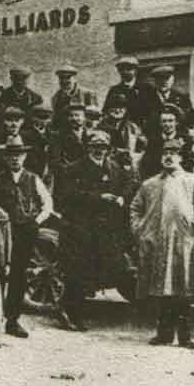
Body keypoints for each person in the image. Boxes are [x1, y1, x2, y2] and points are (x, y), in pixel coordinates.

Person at [130, 140, 194, 349]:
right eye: (166, 152)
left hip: (183, 241)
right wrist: (140, 229)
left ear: (181, 157)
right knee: (162, 289)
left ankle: (186, 337)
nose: (169, 156)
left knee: (183, 288)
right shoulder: (149, 184)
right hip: (157, 242)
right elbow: (135, 208)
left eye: (174, 152)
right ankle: (164, 334)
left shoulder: (193, 180)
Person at [56, 130, 136, 331]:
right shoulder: (74, 169)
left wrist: (121, 198)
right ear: (88, 148)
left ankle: (79, 310)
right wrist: (98, 197)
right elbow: (67, 196)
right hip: (81, 228)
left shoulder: (115, 168)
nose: (99, 151)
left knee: (102, 270)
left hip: (107, 229)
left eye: (103, 148)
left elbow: (128, 185)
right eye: (95, 147)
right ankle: (69, 312)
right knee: (78, 272)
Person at [0, 136, 54, 339]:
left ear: (25, 156)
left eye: (18, 155)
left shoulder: (33, 178)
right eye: (11, 155)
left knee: (19, 275)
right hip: (2, 231)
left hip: (25, 231)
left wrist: (36, 222)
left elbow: (47, 204)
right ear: (5, 157)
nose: (15, 159)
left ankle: (12, 320)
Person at [139, 103, 194, 180]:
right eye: (164, 121)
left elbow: (189, 164)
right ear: (160, 123)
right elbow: (147, 164)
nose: (167, 124)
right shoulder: (153, 141)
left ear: (176, 122)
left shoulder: (186, 141)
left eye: (170, 121)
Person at [137, 65, 194, 141]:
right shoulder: (145, 99)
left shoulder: (182, 98)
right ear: (154, 81)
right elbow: (139, 121)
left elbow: (191, 120)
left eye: (166, 79)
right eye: (159, 79)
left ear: (172, 80)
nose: (163, 82)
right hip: (152, 140)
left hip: (177, 140)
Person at [99, 93, 146, 169]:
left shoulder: (132, 127)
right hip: (107, 167)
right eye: (114, 107)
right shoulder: (101, 127)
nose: (117, 110)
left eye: (121, 107)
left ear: (126, 110)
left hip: (128, 166)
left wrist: (136, 157)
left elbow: (143, 145)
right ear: (108, 109)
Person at [105, 56, 148, 128]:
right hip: (120, 129)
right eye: (121, 69)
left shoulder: (146, 89)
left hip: (142, 129)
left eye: (129, 69)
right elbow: (107, 110)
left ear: (136, 70)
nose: (125, 72)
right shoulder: (114, 90)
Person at [48, 102, 88, 174]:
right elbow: (55, 160)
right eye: (71, 116)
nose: (74, 118)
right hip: (68, 176)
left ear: (84, 118)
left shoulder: (91, 135)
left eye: (77, 115)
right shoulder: (59, 136)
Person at [49, 64, 84, 130]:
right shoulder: (56, 98)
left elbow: (93, 116)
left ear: (75, 79)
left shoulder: (86, 94)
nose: (64, 81)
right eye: (61, 78)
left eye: (68, 77)